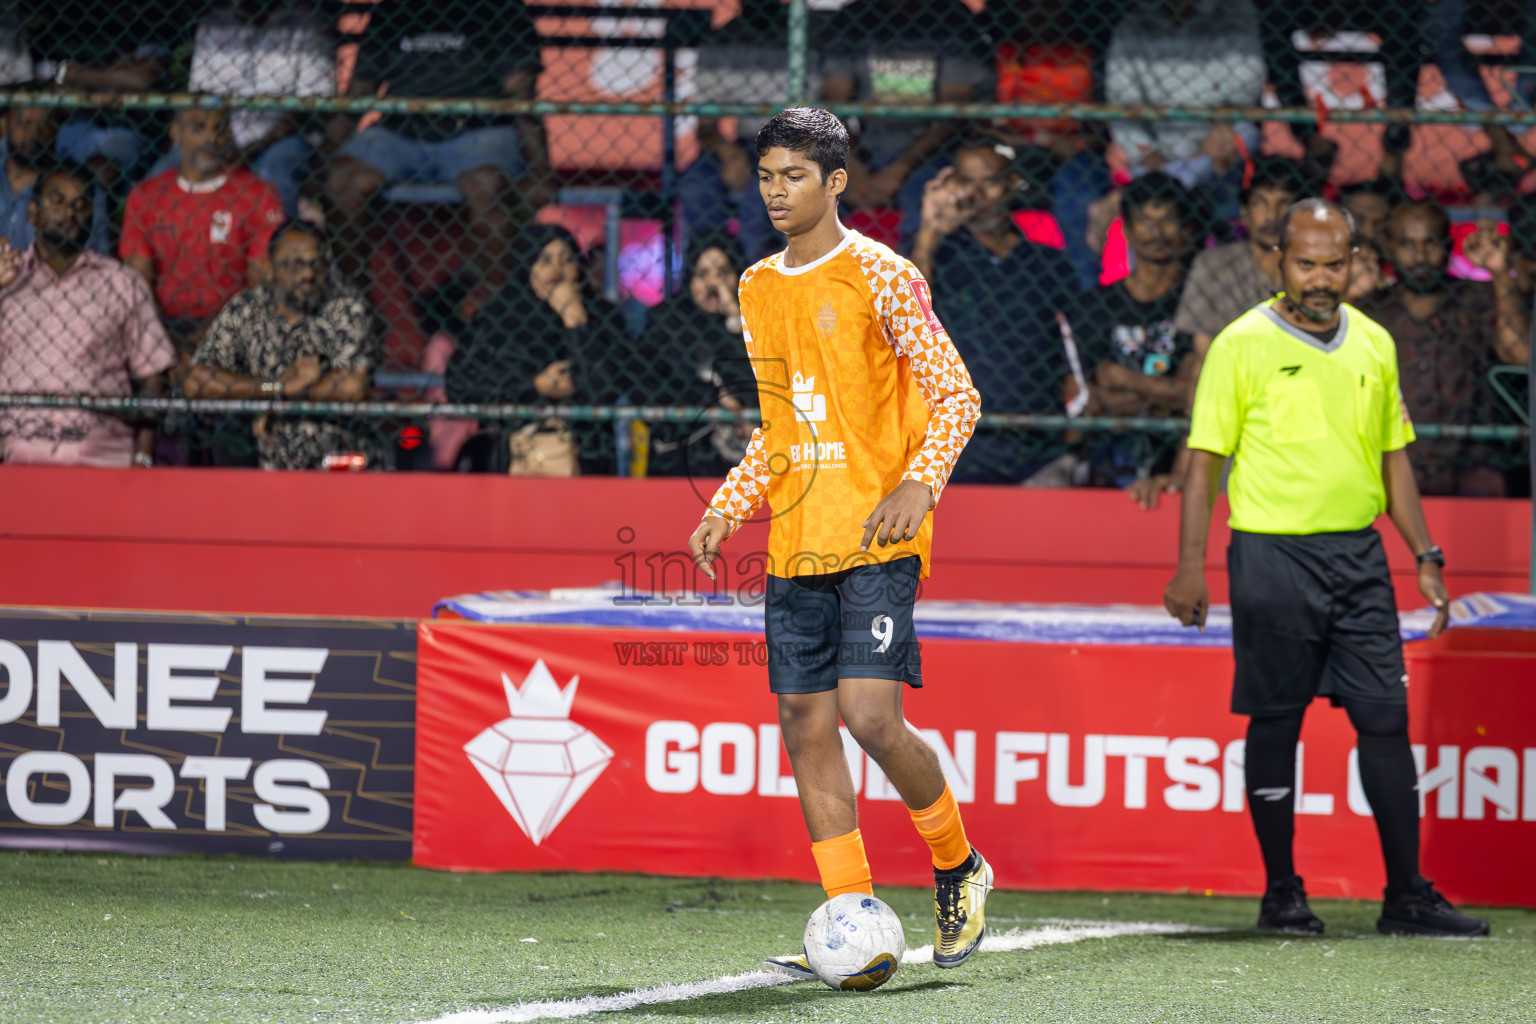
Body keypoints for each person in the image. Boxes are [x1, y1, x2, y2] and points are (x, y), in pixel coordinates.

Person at [686, 108, 988, 979]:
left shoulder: (883, 275)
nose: (778, 192)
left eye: (795, 176)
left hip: (879, 531)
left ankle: (958, 866)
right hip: (797, 540)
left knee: (868, 715)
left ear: (836, 182)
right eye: (768, 176)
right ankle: (852, 917)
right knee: (804, 722)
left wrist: (918, 485)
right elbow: (780, 424)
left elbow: (957, 396)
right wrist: (730, 507)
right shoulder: (755, 286)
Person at [1164, 198, 1489, 939]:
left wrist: (1426, 556)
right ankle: (1282, 893)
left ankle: (1405, 895)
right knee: (1277, 721)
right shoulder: (1240, 345)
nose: (1320, 277)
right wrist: (1190, 567)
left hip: (1359, 558)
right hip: (1271, 558)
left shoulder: (1374, 341)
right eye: (1305, 263)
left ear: (1354, 261)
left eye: (1334, 263)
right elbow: (1204, 460)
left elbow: (1394, 458)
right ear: (1277, 260)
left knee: (1385, 719)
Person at [326, 1, 549, 292]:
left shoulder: (501, 8)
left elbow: (520, 93)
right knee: (344, 181)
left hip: (478, 129)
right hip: (401, 130)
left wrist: (540, 167)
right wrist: (322, 158)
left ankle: (497, 312)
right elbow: (360, 91)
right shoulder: (395, 9)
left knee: (486, 185)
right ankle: (352, 303)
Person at [911, 134, 1075, 484]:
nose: (979, 195)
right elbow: (908, 315)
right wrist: (930, 230)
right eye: (967, 182)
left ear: (1013, 184)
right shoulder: (934, 255)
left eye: (991, 183)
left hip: (1036, 445)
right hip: (949, 443)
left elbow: (1072, 355)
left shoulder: (1047, 263)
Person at [0, 162, 175, 466]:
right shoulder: (7, 282)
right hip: (18, 464)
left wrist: (144, 455)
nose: (69, 212)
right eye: (58, 200)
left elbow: (153, 376)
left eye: (80, 205)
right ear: (33, 213)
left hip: (103, 461)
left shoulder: (121, 283)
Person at [1359, 200, 1526, 497]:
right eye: (1407, 245)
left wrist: (1501, 276)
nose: (1420, 256)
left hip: (1472, 463)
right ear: (1389, 246)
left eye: (1430, 244)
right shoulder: (1370, 311)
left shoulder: (1478, 299)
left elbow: (1520, 353)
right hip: (1391, 460)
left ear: (1449, 246)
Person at [183, 221, 376, 470]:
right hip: (261, 459)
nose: (307, 274)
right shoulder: (248, 307)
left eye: (315, 264)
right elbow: (196, 382)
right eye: (295, 265)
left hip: (334, 459)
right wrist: (275, 386)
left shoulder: (344, 309)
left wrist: (285, 398)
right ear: (270, 269)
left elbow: (352, 386)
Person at [444, 225, 617, 474]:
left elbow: (605, 387)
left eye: (566, 259)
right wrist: (534, 386)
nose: (556, 270)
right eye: (544, 260)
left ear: (578, 268)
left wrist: (575, 320)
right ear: (527, 267)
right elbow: (460, 385)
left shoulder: (603, 318)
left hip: (588, 456)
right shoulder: (499, 317)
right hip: (512, 457)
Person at [820, 0, 995, 246]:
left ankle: (911, 275)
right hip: (867, 150)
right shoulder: (856, 18)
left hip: (934, 152)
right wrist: (851, 165)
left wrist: (900, 169)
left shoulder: (952, 19)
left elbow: (953, 112)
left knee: (925, 192)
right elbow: (833, 100)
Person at [1062, 172, 1197, 488]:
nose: (1156, 233)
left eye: (1167, 222)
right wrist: (1165, 396)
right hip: (1104, 459)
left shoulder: (1197, 303)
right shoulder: (1094, 306)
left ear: (1186, 228)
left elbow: (1198, 396)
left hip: (1175, 461)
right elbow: (1088, 398)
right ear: (1128, 229)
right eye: (1145, 222)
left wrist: (1126, 381)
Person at [148, 0, 335, 218]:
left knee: (273, 175)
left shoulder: (306, 25)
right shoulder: (214, 24)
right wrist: (216, 142)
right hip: (217, 132)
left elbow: (307, 112)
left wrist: (248, 151)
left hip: (280, 137)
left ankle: (277, 243)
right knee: (163, 172)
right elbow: (202, 99)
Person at [120, 106, 286, 350]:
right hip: (161, 322)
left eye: (219, 129)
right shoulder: (145, 196)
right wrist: (163, 338)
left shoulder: (258, 194)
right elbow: (137, 283)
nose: (211, 138)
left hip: (236, 320)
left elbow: (260, 284)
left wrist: (221, 327)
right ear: (176, 133)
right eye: (199, 128)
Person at [627, 231, 754, 479]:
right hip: (682, 455)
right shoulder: (667, 323)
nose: (713, 285)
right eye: (702, 274)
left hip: (742, 459)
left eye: (723, 274)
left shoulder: (757, 323)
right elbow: (645, 386)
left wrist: (734, 321)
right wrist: (714, 401)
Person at [1106, 0, 1264, 196]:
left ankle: (1168, 189)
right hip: (1158, 141)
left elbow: (1247, 78)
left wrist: (1222, 122)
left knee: (1246, 133)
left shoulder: (1235, 10)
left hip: (1220, 131)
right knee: (1130, 148)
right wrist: (1147, 153)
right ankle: (1174, 187)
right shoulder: (1133, 23)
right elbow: (1121, 97)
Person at [1174, 158, 1305, 357]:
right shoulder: (1214, 264)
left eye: (1284, 203)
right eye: (1260, 203)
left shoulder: (1315, 267)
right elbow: (1203, 342)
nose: (1272, 215)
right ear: (1244, 214)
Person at [0, 101, 108, 255]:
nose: (35, 134)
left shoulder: (80, 187)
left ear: (57, 128)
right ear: (4, 124)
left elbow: (97, 255)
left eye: (44, 126)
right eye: (25, 124)